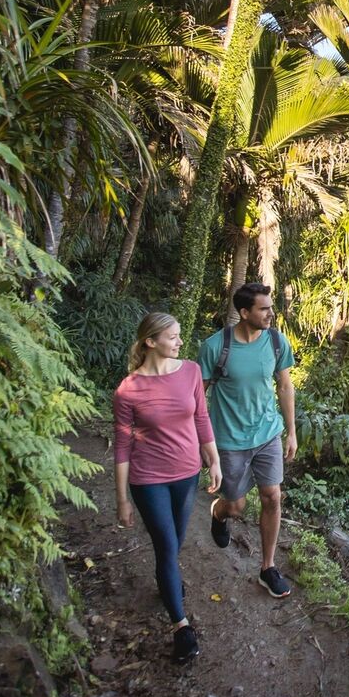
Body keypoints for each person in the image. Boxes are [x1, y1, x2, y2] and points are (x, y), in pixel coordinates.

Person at [113, 312, 221, 662]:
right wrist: (122, 500)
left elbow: (201, 417)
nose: (179, 342)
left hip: (187, 473)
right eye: (172, 337)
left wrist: (213, 459)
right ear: (150, 342)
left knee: (175, 542)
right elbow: (123, 446)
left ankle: (168, 582)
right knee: (165, 545)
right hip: (148, 480)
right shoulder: (128, 389)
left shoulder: (190, 371)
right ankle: (181, 625)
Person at [199, 282, 297, 599]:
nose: (271, 313)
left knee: (272, 496)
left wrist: (291, 431)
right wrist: (201, 441)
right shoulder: (216, 347)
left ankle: (268, 568)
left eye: (270, 307)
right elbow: (198, 395)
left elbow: (284, 387)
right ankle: (219, 512)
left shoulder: (277, 342)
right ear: (244, 312)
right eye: (263, 308)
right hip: (228, 439)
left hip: (267, 433)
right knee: (236, 504)